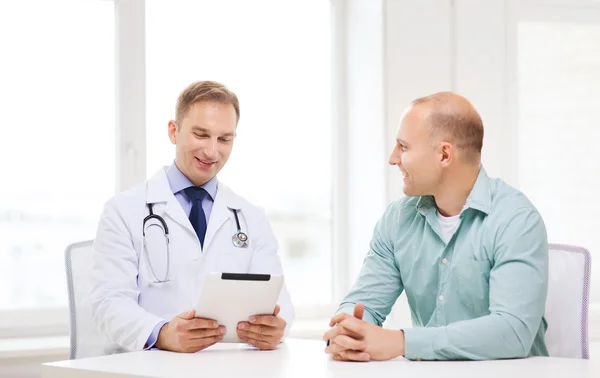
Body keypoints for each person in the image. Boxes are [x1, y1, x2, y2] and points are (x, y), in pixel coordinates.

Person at [323, 92, 549, 361]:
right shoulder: (398, 220)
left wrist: (403, 342)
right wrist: (349, 329)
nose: (393, 159)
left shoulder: (516, 220)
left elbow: (513, 333)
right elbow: (364, 304)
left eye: (403, 147)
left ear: (444, 154)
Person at [90, 80, 293, 354]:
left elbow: (280, 302)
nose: (212, 151)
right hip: (149, 366)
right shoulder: (123, 211)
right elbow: (109, 303)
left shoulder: (250, 218)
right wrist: (162, 333)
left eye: (224, 139)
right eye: (201, 135)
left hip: (228, 368)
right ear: (174, 131)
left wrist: (275, 330)